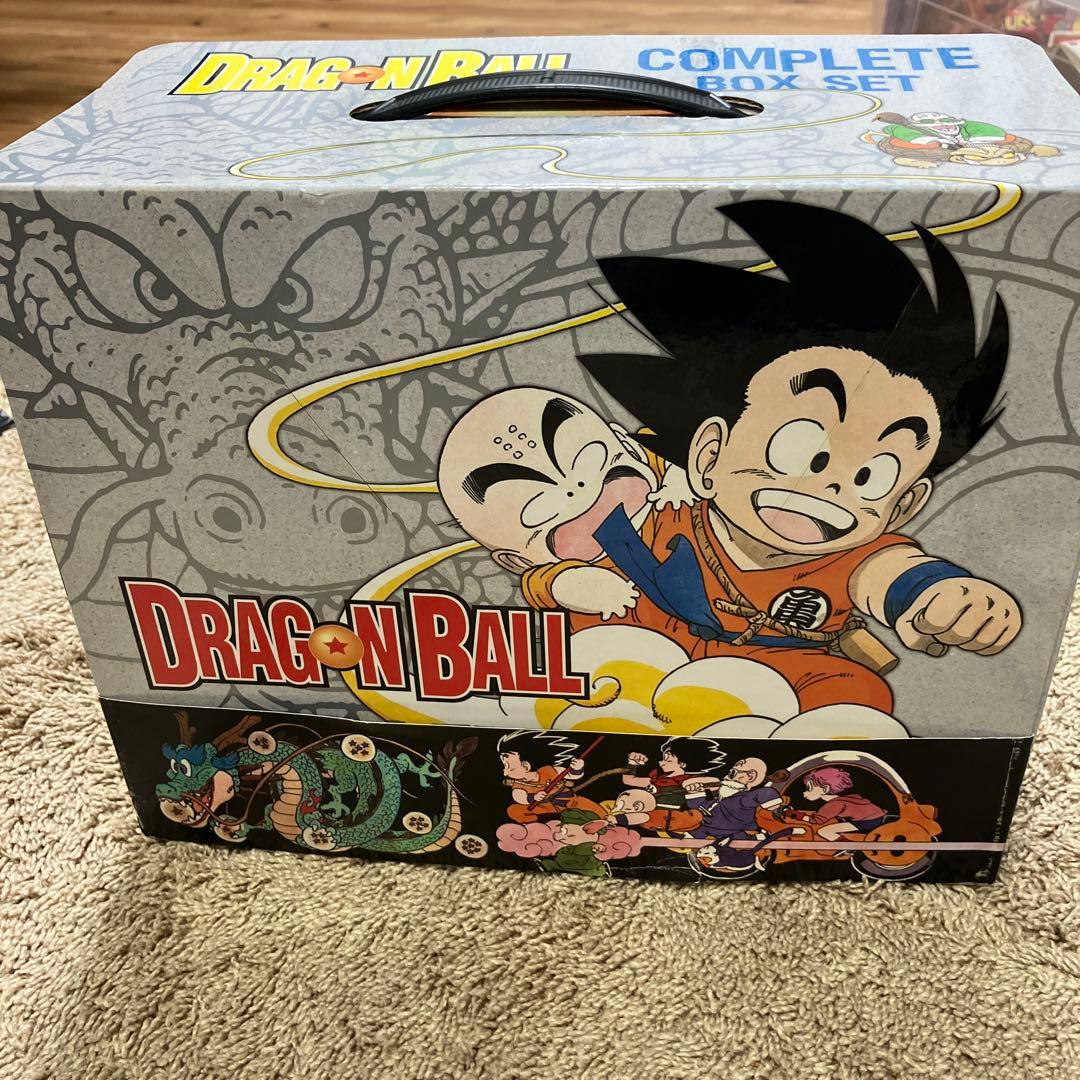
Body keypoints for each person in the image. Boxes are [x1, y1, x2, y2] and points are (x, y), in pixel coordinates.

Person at [575, 199, 1022, 717]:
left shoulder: (853, 558)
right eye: (798, 447)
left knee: (856, 696)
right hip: (633, 674)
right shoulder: (662, 517)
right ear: (709, 455)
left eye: (872, 476)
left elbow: (893, 575)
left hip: (781, 689)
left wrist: (947, 597)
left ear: (903, 505)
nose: (832, 484)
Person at [438, 386, 693, 624]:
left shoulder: (658, 466)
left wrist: (682, 474)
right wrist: (576, 586)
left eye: (590, 461)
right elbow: (550, 584)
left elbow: (679, 446)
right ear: (517, 561)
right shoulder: (555, 574)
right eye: (541, 509)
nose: (575, 490)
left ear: (627, 444)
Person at [690, 757, 783, 872]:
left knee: (735, 837)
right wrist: (695, 792)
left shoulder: (743, 799)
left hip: (731, 831)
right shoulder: (720, 796)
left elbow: (766, 793)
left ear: (750, 776)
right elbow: (701, 805)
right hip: (708, 828)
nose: (726, 776)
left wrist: (775, 809)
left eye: (732, 773)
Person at [496, 731, 607, 823]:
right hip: (542, 806)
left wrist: (577, 768)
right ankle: (531, 824)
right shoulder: (519, 784)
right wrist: (532, 798)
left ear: (526, 766)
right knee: (514, 810)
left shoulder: (550, 770)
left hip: (568, 801)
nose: (505, 773)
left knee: (591, 807)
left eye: (508, 767)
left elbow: (572, 775)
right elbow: (518, 796)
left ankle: (605, 820)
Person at [797, 766, 889, 841]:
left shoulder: (834, 804)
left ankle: (848, 848)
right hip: (876, 816)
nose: (804, 793)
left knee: (825, 831)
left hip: (867, 821)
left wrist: (799, 816)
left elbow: (817, 820)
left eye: (809, 789)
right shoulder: (842, 800)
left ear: (825, 789)